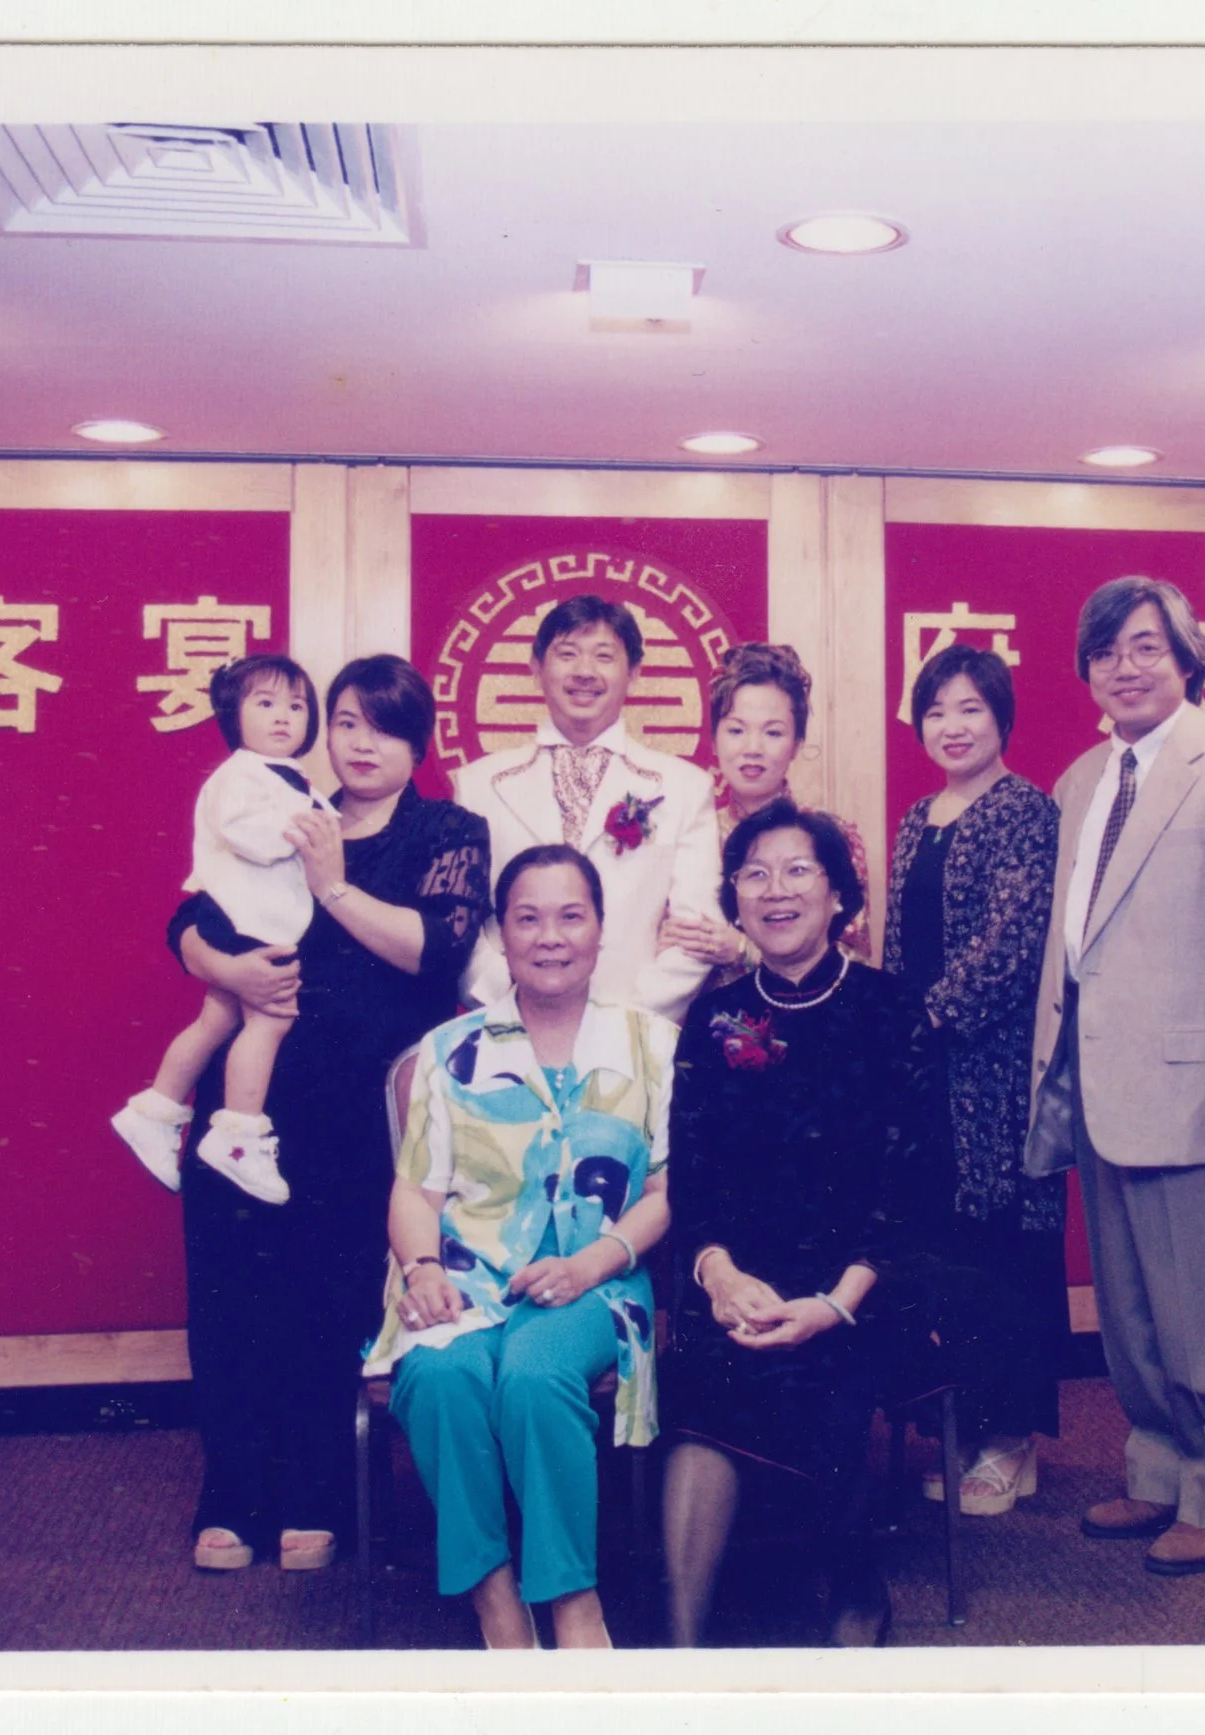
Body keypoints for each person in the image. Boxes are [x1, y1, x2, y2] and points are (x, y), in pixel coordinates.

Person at [170, 654, 490, 1575]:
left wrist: (333, 883)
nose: (361, 743)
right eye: (346, 721)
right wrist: (224, 967)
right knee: (231, 1292)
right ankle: (232, 1492)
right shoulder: (285, 802)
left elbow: (437, 951)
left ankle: (317, 1492)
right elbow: (190, 912)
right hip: (251, 1098)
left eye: (385, 728)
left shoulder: (445, 828)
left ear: (418, 743)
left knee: (328, 1297)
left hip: (363, 1109)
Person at [1022, 577, 1205, 1577]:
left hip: (1199, 1092)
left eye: (1147, 646)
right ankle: (1157, 1471)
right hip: (1099, 1090)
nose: (1126, 667)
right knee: (1133, 1310)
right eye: (1106, 652)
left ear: (1188, 657)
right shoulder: (1080, 780)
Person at [365, 844, 673, 1650]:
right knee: (439, 1376)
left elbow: (666, 1193)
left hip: (599, 1279)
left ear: (600, 928)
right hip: (463, 1280)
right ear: (501, 933)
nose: (550, 936)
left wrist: (588, 1264)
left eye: (571, 916)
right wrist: (421, 1269)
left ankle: (572, 1600)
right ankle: (495, 1596)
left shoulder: (652, 1045)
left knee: (537, 1373)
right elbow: (414, 1190)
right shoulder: (450, 1048)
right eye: (528, 918)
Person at [660, 801, 947, 1647]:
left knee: (822, 1375)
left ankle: (854, 1589)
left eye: (797, 871)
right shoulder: (714, 1017)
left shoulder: (893, 1009)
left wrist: (834, 1302)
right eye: (754, 874)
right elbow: (692, 1174)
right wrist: (719, 1275)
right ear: (735, 899)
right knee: (705, 1377)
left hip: (869, 1282)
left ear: (837, 895)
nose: (774, 890)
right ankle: (678, 1655)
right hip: (742, 1279)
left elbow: (914, 1186)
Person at [884, 643, 1066, 1516]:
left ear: (1001, 718)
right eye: (936, 710)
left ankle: (1012, 1440)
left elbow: (1011, 946)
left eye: (970, 709)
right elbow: (896, 945)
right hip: (923, 1072)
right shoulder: (918, 816)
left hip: (993, 1072)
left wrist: (924, 1020)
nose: (952, 726)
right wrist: (892, 1031)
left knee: (1003, 1251)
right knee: (944, 1248)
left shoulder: (1025, 810)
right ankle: (964, 1428)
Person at [112, 654, 333, 1204]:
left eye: (296, 706)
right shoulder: (238, 777)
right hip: (242, 917)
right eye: (266, 703)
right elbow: (249, 834)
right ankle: (238, 1135)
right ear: (234, 714)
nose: (283, 716)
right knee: (271, 1019)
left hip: (252, 916)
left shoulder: (285, 775)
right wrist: (305, 828)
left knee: (218, 1018)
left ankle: (155, 1110)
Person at [452, 592, 719, 1023]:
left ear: (634, 674)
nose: (584, 672)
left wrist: (628, 1021)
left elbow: (696, 932)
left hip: (635, 1029)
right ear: (536, 669)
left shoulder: (684, 788)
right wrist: (512, 1004)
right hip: (507, 1021)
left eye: (603, 656)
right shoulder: (477, 785)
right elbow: (461, 925)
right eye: (567, 654)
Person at [657, 642, 870, 987]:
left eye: (773, 733)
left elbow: (854, 963)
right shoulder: (690, 832)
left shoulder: (832, 836)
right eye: (736, 730)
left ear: (796, 744)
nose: (752, 748)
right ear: (714, 740)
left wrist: (742, 950)